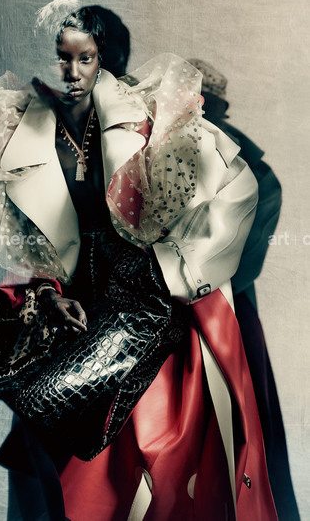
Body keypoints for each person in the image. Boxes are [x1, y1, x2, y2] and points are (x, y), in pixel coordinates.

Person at [0, 1, 278, 520]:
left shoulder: (151, 115)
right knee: (44, 425)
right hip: (73, 299)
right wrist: (46, 290)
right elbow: (29, 238)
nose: (71, 71)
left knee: (148, 440)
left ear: (108, 57)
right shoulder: (18, 127)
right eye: (63, 57)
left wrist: (169, 269)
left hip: (145, 295)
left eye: (85, 57)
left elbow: (238, 189)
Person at [187, 58, 300, 521]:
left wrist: (193, 278)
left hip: (224, 312)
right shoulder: (160, 153)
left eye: (201, 104)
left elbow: (242, 263)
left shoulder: (255, 174)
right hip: (167, 306)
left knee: (237, 426)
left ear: (215, 108)